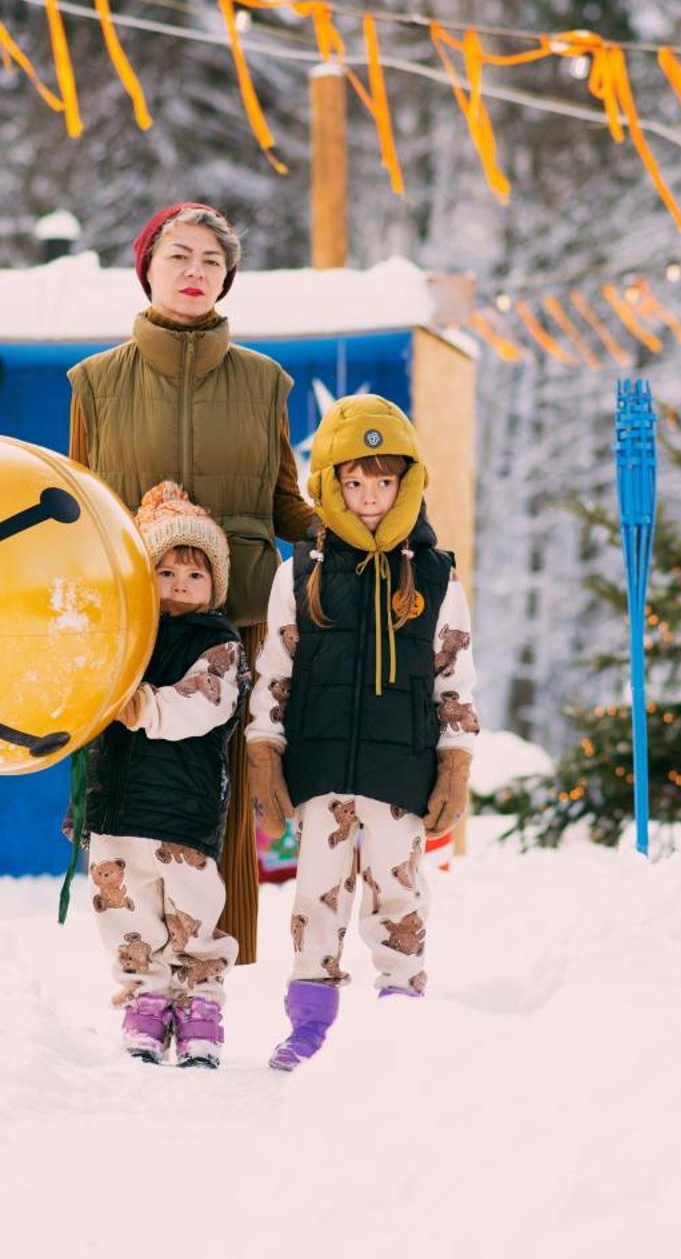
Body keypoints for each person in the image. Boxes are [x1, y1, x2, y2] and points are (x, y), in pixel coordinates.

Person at [67, 202, 319, 965]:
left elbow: (285, 501)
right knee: (129, 794)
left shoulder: (266, 382)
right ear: (146, 267)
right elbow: (75, 503)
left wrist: (345, 533)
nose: (194, 271)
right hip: (132, 623)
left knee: (223, 797)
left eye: (211, 260)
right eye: (179, 255)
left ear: (227, 278)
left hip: (232, 616)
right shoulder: (96, 383)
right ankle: (139, 964)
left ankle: (208, 971)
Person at [243, 395, 479, 1072]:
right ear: (331, 485)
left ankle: (399, 1015)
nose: (369, 496)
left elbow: (454, 675)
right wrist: (266, 751)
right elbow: (275, 670)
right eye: (354, 481)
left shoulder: (434, 575)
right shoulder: (304, 571)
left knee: (397, 893)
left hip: (400, 774)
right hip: (321, 773)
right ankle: (309, 1024)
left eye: (384, 481)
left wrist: (454, 764)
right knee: (316, 893)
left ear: (407, 483)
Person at [74, 482, 248, 1067]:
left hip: (182, 806)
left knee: (192, 908)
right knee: (121, 907)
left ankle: (199, 1003)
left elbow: (205, 703)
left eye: (194, 575)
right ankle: (145, 1000)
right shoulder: (124, 635)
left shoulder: (217, 643)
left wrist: (143, 705)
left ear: (214, 587)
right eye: (166, 570)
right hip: (117, 803)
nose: (179, 583)